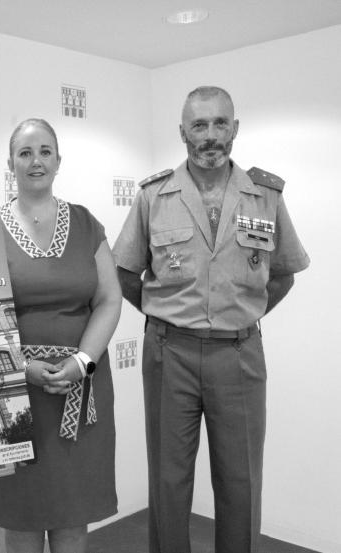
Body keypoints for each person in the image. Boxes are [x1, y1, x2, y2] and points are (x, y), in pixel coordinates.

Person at [112, 86, 309, 553]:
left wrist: (239, 314)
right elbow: (125, 273)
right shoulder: (154, 195)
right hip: (170, 354)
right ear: (183, 132)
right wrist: (168, 315)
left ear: (235, 128)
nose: (210, 135)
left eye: (220, 123)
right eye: (199, 125)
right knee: (169, 479)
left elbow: (284, 273)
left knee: (241, 481)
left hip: (239, 354)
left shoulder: (264, 195)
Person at [0, 118, 122, 553]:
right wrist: (22, 368)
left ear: (58, 160)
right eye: (25, 153)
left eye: (45, 151)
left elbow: (109, 300)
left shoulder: (87, 224)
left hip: (81, 391)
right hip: (15, 394)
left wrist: (82, 362)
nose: (36, 161)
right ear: (11, 164)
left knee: (72, 516)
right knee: (22, 519)